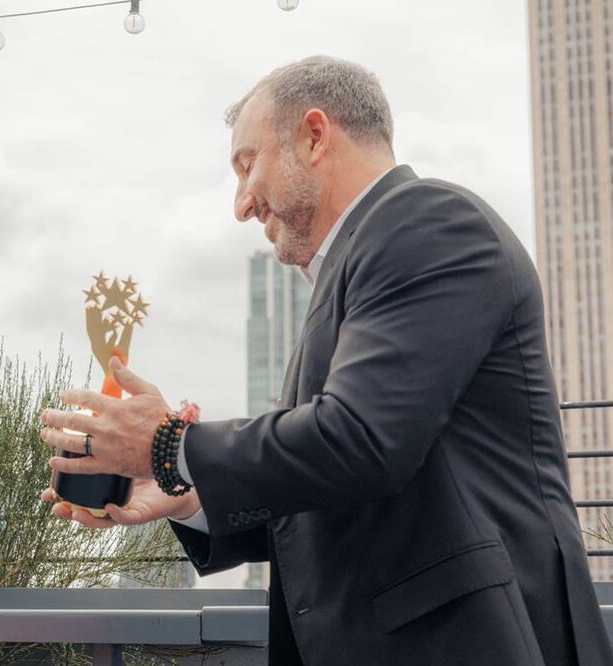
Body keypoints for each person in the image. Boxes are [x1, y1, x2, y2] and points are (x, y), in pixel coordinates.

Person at [40, 56, 613, 665]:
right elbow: (336, 488)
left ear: (315, 136)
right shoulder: (364, 264)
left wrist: (170, 445)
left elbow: (360, 442)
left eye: (246, 164)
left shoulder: (429, 224)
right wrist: (186, 492)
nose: (240, 204)